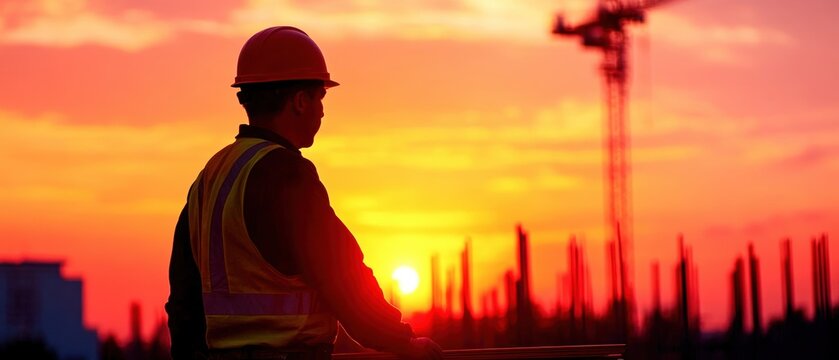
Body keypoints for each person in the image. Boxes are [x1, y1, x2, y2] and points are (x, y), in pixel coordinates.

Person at [165, 26, 444, 360]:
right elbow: (342, 276)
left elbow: (183, 302)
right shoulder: (285, 173)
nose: (322, 111)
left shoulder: (208, 177)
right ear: (299, 101)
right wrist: (401, 342)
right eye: (319, 98)